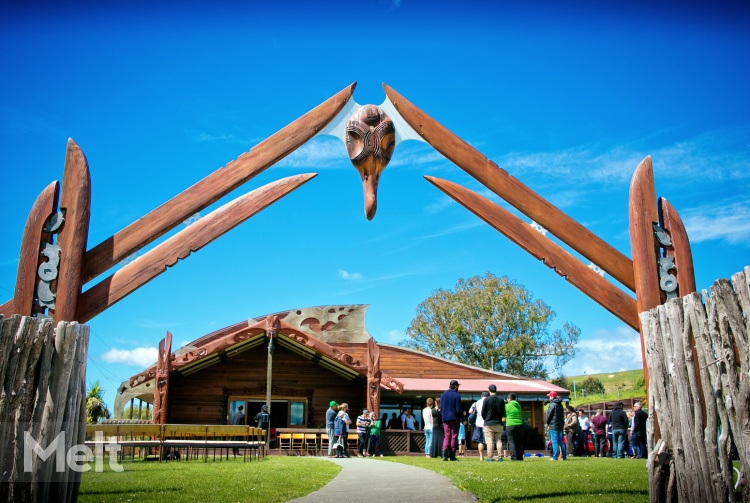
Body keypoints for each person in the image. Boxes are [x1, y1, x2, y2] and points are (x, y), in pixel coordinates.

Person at [481, 384, 506, 462]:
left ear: (489, 390)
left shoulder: (486, 400)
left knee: (489, 441)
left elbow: (483, 412)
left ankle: (490, 457)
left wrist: (486, 419)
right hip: (498, 423)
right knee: (499, 440)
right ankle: (500, 457)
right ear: (496, 390)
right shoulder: (501, 400)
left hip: (488, 423)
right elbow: (503, 412)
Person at [441, 380, 463, 461]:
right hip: (454, 418)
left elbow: (442, 408)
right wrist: (461, 417)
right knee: (454, 436)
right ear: (456, 386)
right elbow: (458, 409)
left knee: (447, 435)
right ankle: (452, 455)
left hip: (445, 418)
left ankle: (445, 455)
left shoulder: (443, 395)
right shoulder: (457, 395)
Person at [546, 391, 566, 461]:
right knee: (561, 442)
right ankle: (564, 457)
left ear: (552, 396)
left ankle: (555, 457)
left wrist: (548, 423)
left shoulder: (552, 404)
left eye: (549, 396)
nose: (549, 397)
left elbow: (549, 415)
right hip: (560, 426)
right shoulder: (560, 404)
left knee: (554, 442)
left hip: (553, 426)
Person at [469, 391, 489, 461]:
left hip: (478, 424)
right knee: (489, 441)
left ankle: (481, 457)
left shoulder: (476, 402)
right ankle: (490, 456)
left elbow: (470, 411)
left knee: (480, 441)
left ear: (481, 396)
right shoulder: (489, 402)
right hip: (487, 423)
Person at [505, 393, 524, 460]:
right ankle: (520, 457)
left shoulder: (507, 406)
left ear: (509, 398)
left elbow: (504, 415)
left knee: (511, 442)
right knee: (519, 441)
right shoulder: (518, 405)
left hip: (510, 424)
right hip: (519, 424)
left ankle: (514, 457)